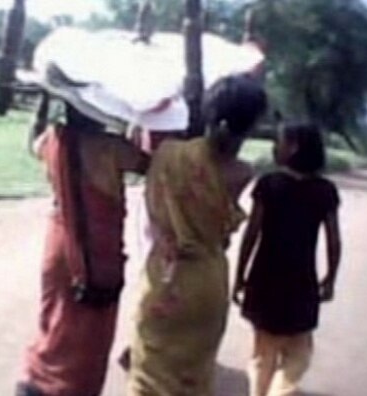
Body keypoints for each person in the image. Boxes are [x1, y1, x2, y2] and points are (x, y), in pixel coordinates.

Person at [127, 74, 267, 396]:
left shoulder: (169, 154)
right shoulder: (243, 173)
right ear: (253, 125)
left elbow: (153, 207)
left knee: (150, 374)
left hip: (165, 278)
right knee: (194, 377)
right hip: (207, 284)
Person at [17, 103, 149, 396]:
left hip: (59, 244)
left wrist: (42, 104)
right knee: (90, 335)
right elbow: (148, 165)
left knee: (53, 320)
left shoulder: (52, 138)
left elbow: (33, 143)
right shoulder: (111, 147)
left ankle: (36, 380)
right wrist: (137, 123)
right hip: (96, 252)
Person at [232, 123, 342, 396]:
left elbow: (251, 234)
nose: (274, 146)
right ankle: (283, 390)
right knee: (299, 354)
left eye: (279, 141)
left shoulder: (269, 184)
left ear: (293, 147)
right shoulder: (325, 190)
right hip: (301, 282)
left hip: (264, 279)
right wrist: (330, 279)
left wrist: (239, 276)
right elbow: (333, 240)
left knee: (262, 353)